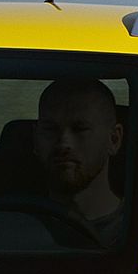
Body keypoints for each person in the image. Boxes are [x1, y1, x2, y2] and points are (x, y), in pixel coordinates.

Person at [35, 75, 127, 238]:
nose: (63, 144)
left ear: (114, 139)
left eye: (80, 129)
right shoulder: (8, 228)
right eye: (50, 129)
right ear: (35, 138)